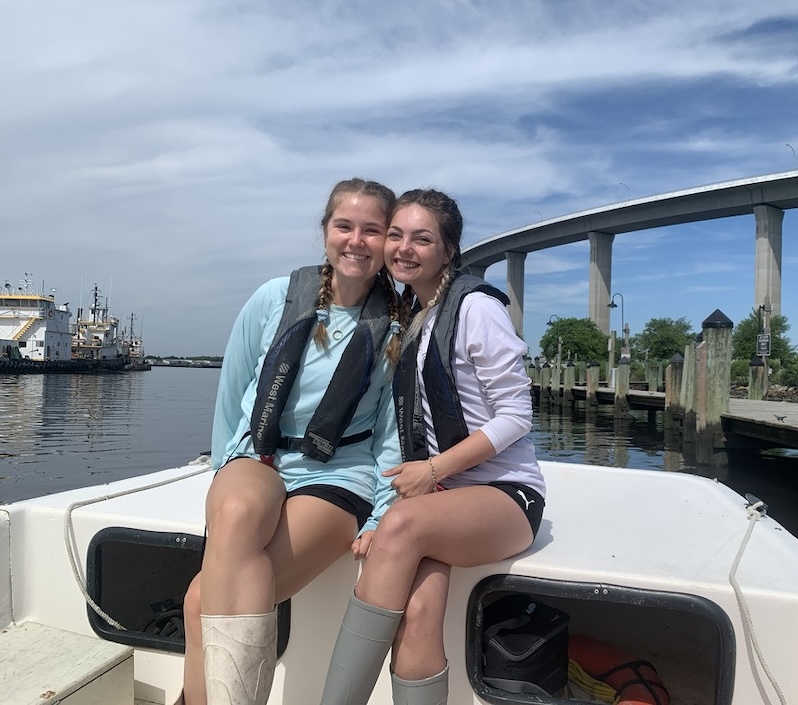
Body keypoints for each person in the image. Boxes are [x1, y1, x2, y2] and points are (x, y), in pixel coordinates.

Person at [176, 178, 403, 705]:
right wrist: (223, 472)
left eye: (373, 230)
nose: (356, 240)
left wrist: (380, 514)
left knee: (196, 602)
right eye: (344, 226)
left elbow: (392, 432)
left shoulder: (397, 328)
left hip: (339, 471)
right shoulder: (274, 299)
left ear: (388, 241)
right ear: (325, 231)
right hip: (262, 453)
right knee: (234, 513)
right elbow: (233, 393)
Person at [319, 188, 546, 705]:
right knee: (419, 612)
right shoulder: (419, 315)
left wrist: (432, 470)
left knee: (401, 525)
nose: (404, 248)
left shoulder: (475, 310)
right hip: (446, 501)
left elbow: (516, 416)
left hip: (507, 496)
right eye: (396, 235)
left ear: (448, 250)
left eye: (422, 239)